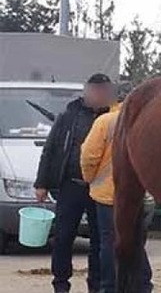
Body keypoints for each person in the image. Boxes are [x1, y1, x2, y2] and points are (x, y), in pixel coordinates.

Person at [34, 73, 115, 293]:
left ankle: (96, 285)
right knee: (63, 237)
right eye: (93, 91)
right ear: (87, 91)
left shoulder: (112, 117)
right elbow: (50, 150)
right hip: (70, 186)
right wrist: (41, 183)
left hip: (100, 188)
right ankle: (60, 284)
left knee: (99, 241)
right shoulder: (69, 116)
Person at [80, 82, 153, 293]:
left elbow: (88, 156)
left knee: (110, 243)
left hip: (108, 196)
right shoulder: (146, 121)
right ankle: (143, 285)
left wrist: (89, 179)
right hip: (142, 195)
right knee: (137, 242)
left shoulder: (105, 121)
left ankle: (110, 286)